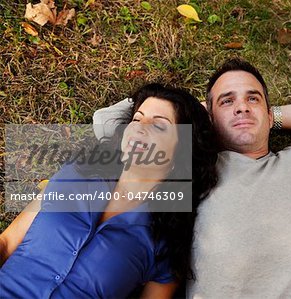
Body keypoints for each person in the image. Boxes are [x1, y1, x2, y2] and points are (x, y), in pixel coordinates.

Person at [93, 58, 291, 298]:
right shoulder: (189, 168)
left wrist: (274, 116)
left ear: (269, 114)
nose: (242, 108)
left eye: (253, 98)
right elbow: (107, 121)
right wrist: (190, 112)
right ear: (208, 118)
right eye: (227, 101)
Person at [0, 83, 218, 298]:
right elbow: (7, 243)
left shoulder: (167, 240)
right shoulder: (75, 175)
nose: (140, 127)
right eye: (137, 119)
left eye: (159, 126)